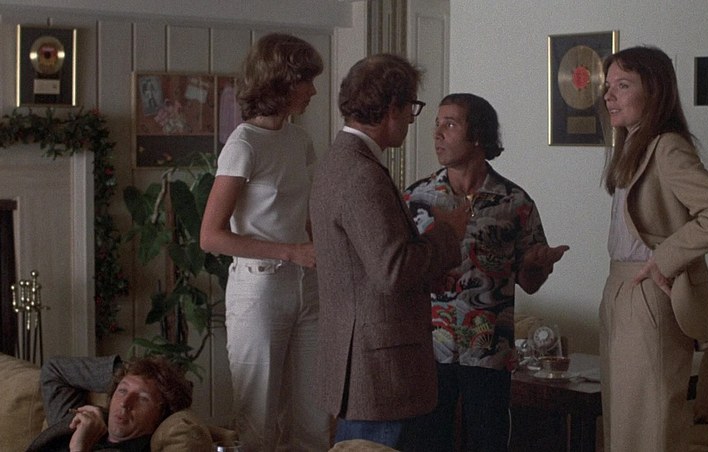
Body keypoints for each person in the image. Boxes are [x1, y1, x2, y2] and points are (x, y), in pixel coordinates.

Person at [309, 53, 469, 449]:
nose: (413, 120)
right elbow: (392, 269)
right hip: (377, 371)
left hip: (362, 361)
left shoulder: (339, 161)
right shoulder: (361, 173)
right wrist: (448, 232)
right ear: (391, 107)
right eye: (411, 107)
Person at [401, 93, 570, 452]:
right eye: (437, 124)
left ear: (477, 135)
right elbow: (399, 269)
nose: (438, 134)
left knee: (488, 443)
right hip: (430, 349)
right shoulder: (416, 198)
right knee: (425, 443)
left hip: (489, 350)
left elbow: (530, 283)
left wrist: (537, 265)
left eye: (450, 124)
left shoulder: (515, 201)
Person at [597, 45, 708, 452]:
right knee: (623, 424)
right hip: (617, 288)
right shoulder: (632, 146)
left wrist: (663, 260)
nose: (609, 96)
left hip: (648, 292)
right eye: (608, 86)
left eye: (623, 86)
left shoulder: (667, 147)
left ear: (654, 91)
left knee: (651, 424)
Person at [199, 33, 330, 451]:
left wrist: (320, 252)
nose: (313, 91)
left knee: (314, 417)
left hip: (307, 286)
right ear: (282, 81)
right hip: (259, 290)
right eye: (307, 81)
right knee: (258, 420)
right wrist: (290, 251)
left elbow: (305, 214)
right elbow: (210, 236)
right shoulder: (243, 144)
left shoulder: (299, 140)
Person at [26, 354, 193, 452]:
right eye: (122, 391)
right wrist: (125, 372)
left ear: (161, 413)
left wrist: (80, 447)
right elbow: (54, 370)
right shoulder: (84, 422)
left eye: (143, 398)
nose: (125, 403)